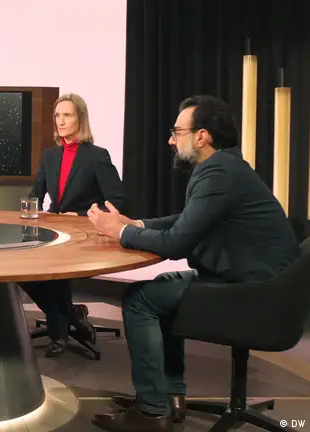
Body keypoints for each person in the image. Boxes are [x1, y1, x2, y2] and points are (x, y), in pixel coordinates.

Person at [87, 95, 299, 432]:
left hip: (256, 295)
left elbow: (176, 242)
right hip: (263, 284)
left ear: (201, 136)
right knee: (160, 291)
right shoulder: (227, 167)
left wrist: (121, 232)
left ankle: (152, 412)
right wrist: (136, 224)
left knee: (140, 300)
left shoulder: (218, 174)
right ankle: (172, 395)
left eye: (177, 132)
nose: (171, 141)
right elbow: (188, 220)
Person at [19, 93, 125, 357]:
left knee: (54, 274)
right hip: (55, 231)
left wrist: (81, 215)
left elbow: (117, 200)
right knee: (21, 271)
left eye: (67, 115)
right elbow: (35, 196)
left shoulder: (97, 156)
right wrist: (29, 212)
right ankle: (72, 315)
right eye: (58, 115)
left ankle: (59, 330)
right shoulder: (50, 155)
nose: (61, 121)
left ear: (80, 119)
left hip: (84, 234)